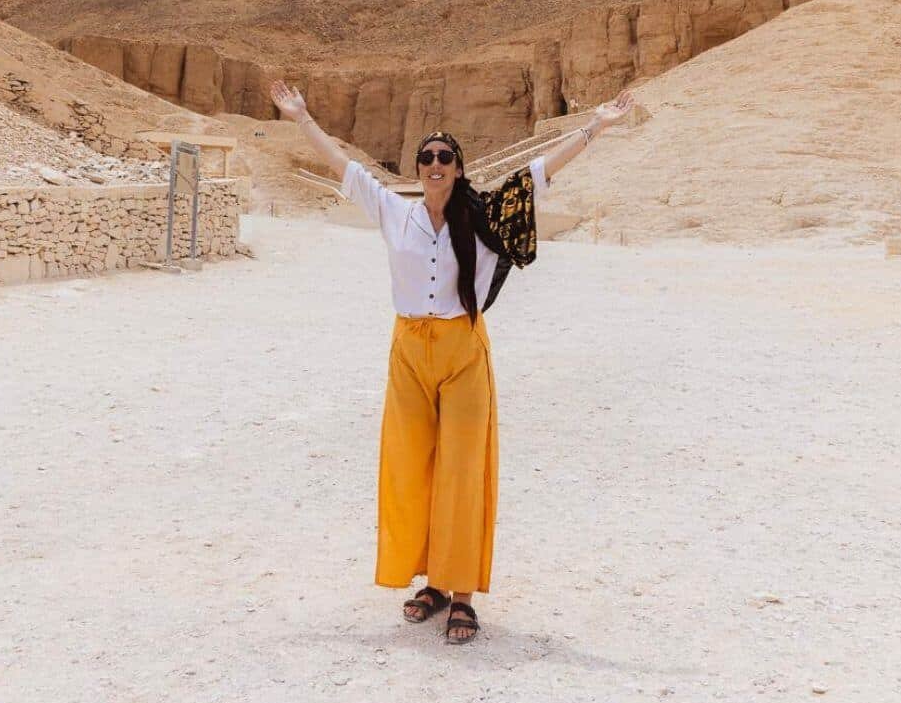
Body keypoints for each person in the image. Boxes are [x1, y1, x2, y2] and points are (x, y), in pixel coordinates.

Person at [269, 79, 636, 644]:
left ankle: (461, 592)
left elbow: (542, 172)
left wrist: (597, 126)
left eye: (446, 157)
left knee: (463, 471)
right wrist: (301, 118)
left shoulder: (483, 216)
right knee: (413, 467)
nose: (435, 163)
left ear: (459, 168)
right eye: (427, 157)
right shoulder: (395, 213)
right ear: (418, 169)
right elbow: (345, 167)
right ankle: (433, 583)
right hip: (409, 351)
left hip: (463, 350)